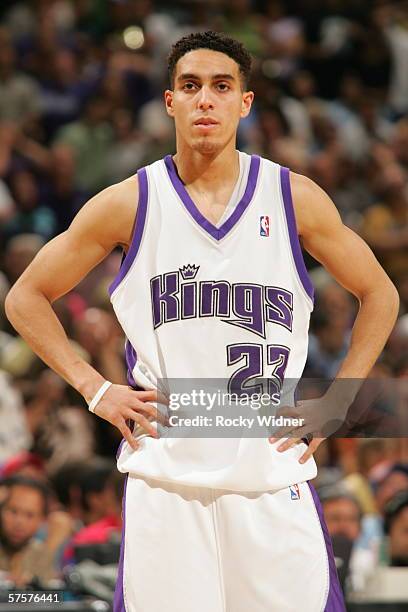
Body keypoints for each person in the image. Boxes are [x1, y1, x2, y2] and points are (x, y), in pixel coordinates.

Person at [5, 31, 399, 612]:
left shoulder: (293, 198)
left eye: (222, 87)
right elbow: (25, 296)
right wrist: (96, 389)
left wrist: (339, 399)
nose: (206, 100)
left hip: (270, 472)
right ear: (170, 102)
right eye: (190, 87)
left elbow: (380, 293)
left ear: (246, 102)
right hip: (167, 479)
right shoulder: (131, 202)